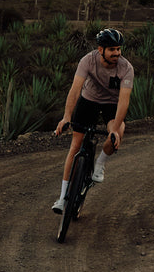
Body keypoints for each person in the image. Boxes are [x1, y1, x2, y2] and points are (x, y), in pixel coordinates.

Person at [52, 28, 134, 214]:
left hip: (111, 105)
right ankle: (62, 197)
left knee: (118, 131)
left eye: (118, 49)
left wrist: (114, 130)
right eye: (112, 49)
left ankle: (100, 163)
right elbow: (74, 90)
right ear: (101, 50)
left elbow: (124, 101)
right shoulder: (88, 60)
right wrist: (66, 117)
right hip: (89, 100)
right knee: (75, 146)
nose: (117, 53)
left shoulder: (126, 68)